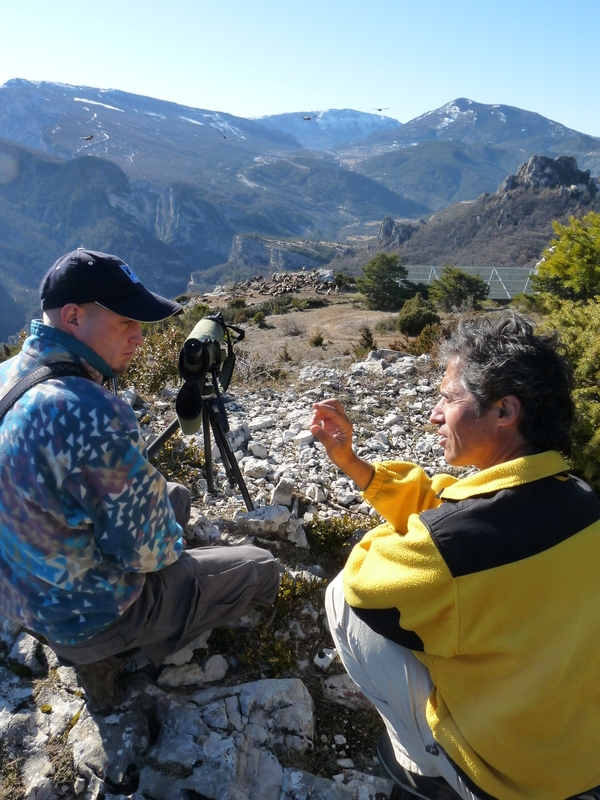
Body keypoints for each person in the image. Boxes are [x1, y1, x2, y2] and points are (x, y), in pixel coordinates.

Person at [310, 312, 600, 800]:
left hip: (510, 778)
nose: (434, 415)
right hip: (580, 755)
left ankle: (422, 764)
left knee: (342, 594)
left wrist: (402, 535)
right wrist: (357, 467)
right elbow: (459, 506)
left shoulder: (451, 548)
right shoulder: (582, 499)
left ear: (505, 411)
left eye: (447, 399)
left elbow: (373, 576)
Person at [0, 249, 280, 712]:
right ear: (73, 317)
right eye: (126, 322)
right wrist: (175, 549)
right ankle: (115, 656)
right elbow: (149, 552)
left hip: (22, 596)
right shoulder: (86, 408)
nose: (139, 338)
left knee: (176, 495)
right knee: (259, 565)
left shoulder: (10, 375)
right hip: (86, 619)